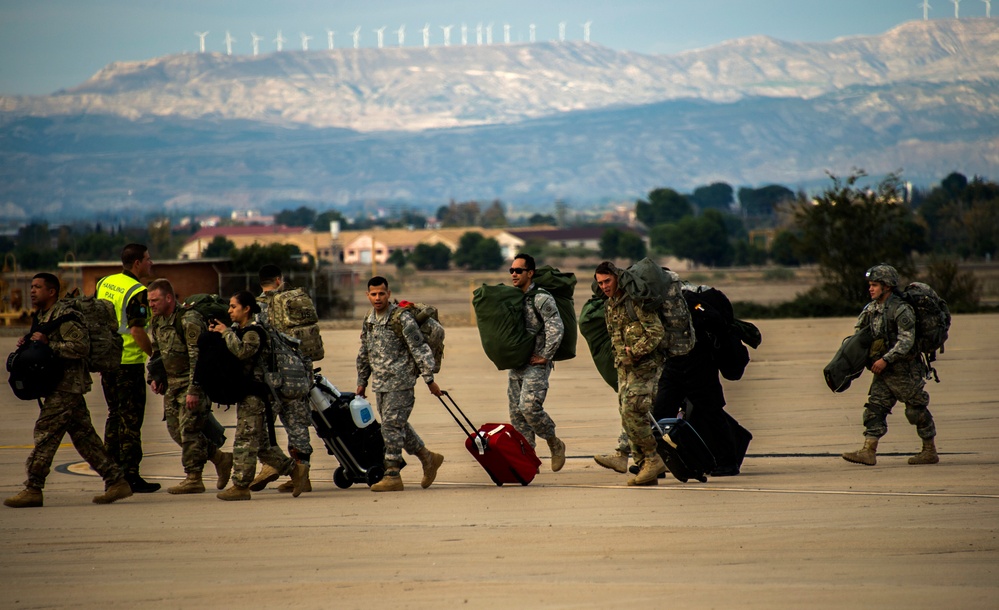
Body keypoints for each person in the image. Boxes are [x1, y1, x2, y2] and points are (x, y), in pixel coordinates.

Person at [4, 273, 133, 508]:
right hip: (58, 385)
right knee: (85, 438)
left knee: (45, 434)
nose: (32, 291)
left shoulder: (65, 317)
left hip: (67, 387)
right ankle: (116, 480)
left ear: (52, 292)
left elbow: (80, 347)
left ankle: (33, 487)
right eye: (31, 287)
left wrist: (47, 344)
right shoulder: (43, 316)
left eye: (38, 287)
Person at [210, 291, 307, 501]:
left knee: (244, 440)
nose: (229, 310)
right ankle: (295, 470)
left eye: (234, 307)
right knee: (262, 445)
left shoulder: (255, 332)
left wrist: (226, 333)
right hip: (247, 393)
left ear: (246, 309)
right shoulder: (239, 330)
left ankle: (241, 485)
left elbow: (242, 352)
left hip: (256, 396)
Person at [842, 264, 940, 466]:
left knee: (916, 411)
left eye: (875, 285)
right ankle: (868, 451)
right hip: (883, 372)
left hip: (904, 370)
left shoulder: (901, 309)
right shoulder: (871, 309)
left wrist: (886, 359)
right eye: (870, 285)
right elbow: (859, 336)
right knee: (874, 410)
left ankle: (929, 450)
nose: (871, 289)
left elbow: (906, 340)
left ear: (887, 287)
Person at [356, 276, 444, 492]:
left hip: (401, 381)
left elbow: (419, 348)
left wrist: (429, 379)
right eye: (373, 294)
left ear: (388, 293)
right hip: (380, 383)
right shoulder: (369, 318)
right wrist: (362, 381)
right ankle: (428, 458)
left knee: (391, 427)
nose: (378, 298)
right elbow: (365, 351)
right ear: (368, 295)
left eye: (381, 293)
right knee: (397, 425)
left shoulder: (401, 318)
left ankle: (392, 473)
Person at [147, 279, 234, 494]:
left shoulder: (188, 320)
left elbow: (198, 357)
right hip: (173, 384)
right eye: (149, 301)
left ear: (169, 298)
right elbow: (158, 353)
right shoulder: (157, 321)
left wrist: (195, 390)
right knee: (175, 430)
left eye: (155, 300)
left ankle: (194, 477)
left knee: (190, 431)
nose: (151, 305)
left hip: (191, 382)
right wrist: (155, 376)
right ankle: (220, 458)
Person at [593, 261, 668, 486]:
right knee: (626, 414)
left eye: (607, 281)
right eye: (600, 283)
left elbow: (656, 332)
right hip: (625, 369)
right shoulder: (610, 305)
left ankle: (653, 459)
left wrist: (635, 351)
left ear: (617, 278)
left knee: (634, 411)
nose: (604, 286)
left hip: (645, 367)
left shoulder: (634, 301)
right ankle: (643, 466)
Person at [95, 243, 159, 493]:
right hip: (128, 363)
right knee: (130, 422)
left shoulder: (105, 282)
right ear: (137, 264)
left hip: (107, 360)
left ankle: (111, 472)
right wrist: (154, 356)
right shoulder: (138, 291)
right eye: (148, 259)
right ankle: (131, 475)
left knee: (113, 416)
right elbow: (136, 330)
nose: (150, 263)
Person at [248, 264, 315, 494]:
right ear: (279, 280)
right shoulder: (293, 304)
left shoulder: (254, 308)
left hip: (270, 379)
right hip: (296, 375)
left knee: (263, 426)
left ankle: (270, 466)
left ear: (261, 283)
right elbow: (306, 340)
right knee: (297, 426)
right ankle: (302, 474)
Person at [506, 253, 567, 471]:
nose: (514, 274)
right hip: (517, 364)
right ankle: (527, 460)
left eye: (518, 271)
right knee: (517, 414)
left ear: (530, 273)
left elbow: (556, 327)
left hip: (537, 363)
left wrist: (546, 356)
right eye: (511, 270)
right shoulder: (512, 297)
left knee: (529, 407)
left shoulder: (541, 298)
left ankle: (554, 442)